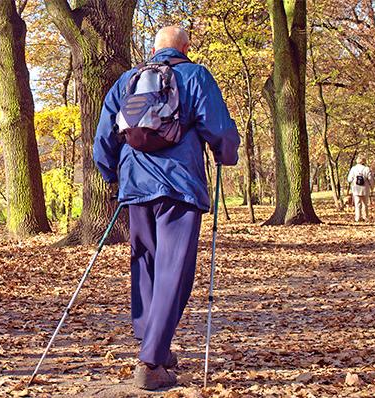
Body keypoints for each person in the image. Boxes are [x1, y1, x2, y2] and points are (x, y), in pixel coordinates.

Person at [93, 26, 240, 390]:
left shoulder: (130, 80)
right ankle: (151, 360)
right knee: (174, 270)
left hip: (136, 185)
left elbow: (104, 138)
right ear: (185, 48)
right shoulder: (195, 75)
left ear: (154, 49)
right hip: (180, 186)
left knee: (145, 261)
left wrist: (111, 172)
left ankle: (151, 338)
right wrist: (225, 153)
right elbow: (218, 129)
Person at [346, 157, 373, 222]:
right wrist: (372, 186)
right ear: (364, 161)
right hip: (365, 189)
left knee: (357, 204)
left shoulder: (353, 169)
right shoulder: (367, 169)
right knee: (365, 204)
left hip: (356, 189)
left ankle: (358, 218)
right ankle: (366, 217)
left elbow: (349, 179)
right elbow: (370, 179)